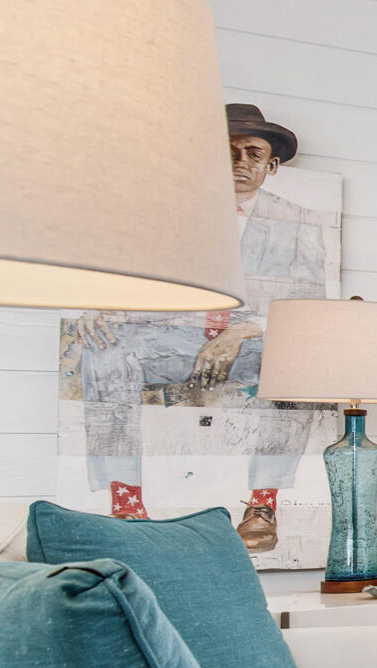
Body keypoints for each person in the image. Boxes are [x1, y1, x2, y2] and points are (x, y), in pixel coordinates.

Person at [71, 103, 330, 551]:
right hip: (174, 337)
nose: (240, 162)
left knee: (297, 366)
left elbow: (309, 302)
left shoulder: (299, 220)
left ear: (271, 166)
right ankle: (126, 501)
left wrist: (242, 333)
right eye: (228, 151)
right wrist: (101, 305)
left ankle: (262, 505)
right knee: (105, 348)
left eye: (253, 153)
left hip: (252, 341)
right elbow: (134, 277)